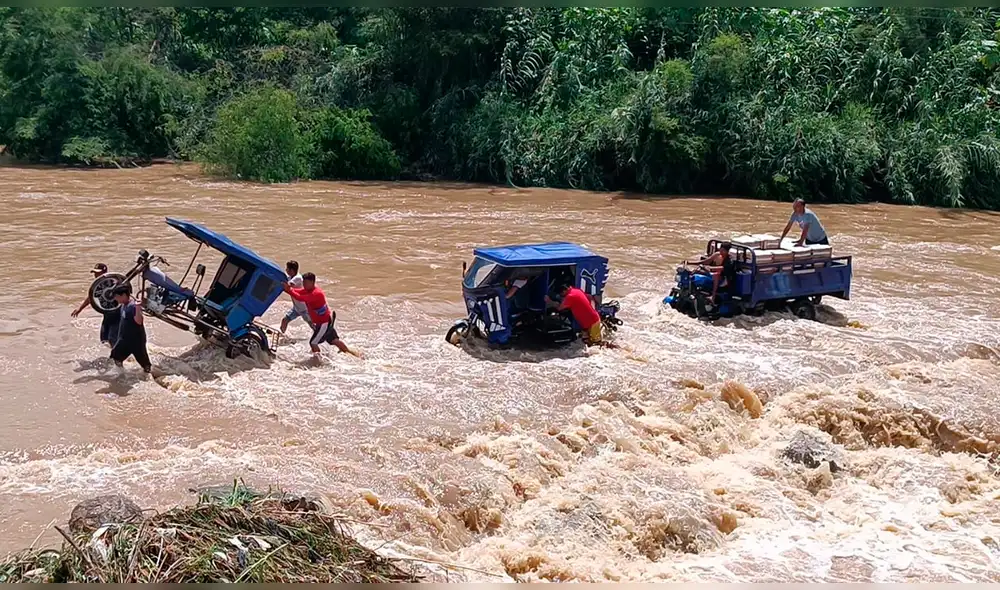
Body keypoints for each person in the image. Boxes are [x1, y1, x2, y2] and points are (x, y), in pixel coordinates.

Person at [282, 272, 359, 357]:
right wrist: (288, 289)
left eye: (306, 283)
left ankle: (318, 361)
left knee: (313, 343)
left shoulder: (316, 293)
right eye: (303, 282)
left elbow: (300, 298)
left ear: (312, 282)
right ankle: (351, 353)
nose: (304, 284)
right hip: (325, 320)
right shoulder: (308, 290)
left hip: (323, 323)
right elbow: (299, 292)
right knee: (333, 340)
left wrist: (289, 290)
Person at [71, 263, 120, 347]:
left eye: (98, 272)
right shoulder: (99, 284)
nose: (95, 274)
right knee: (104, 339)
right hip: (107, 314)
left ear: (104, 272)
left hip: (117, 314)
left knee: (113, 338)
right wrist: (80, 308)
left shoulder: (113, 283)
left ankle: (120, 357)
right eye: (94, 272)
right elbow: (91, 297)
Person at [109, 284, 152, 375]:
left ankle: (150, 379)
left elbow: (139, 321)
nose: (116, 299)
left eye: (117, 297)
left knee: (145, 365)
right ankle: (122, 375)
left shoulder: (133, 306)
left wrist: (138, 307)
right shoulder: (124, 305)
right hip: (124, 340)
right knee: (115, 358)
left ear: (124, 295)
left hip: (136, 341)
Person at [546, 281, 604, 346]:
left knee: (597, 343)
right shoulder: (577, 291)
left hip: (592, 322)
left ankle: (612, 348)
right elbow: (590, 296)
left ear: (564, 291)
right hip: (590, 321)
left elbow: (559, 308)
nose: (562, 296)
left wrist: (550, 301)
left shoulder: (570, 296)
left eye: (561, 294)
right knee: (586, 340)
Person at [279, 260, 313, 334]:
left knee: (312, 325)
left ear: (291, 270)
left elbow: (288, 286)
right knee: (285, 320)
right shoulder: (291, 277)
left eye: (287, 268)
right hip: (296, 308)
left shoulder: (298, 278)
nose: (286, 270)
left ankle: (321, 337)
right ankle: (282, 336)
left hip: (304, 309)